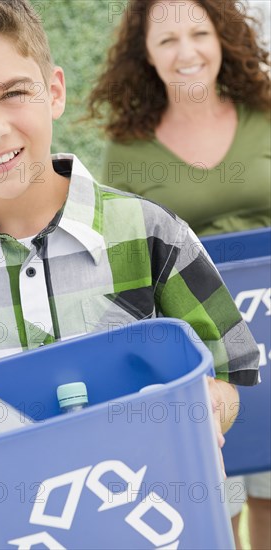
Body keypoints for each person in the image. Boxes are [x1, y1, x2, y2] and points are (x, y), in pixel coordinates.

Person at [0, 0, 259, 524]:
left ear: (53, 91)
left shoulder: (151, 232)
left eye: (14, 93)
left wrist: (207, 405)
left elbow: (229, 368)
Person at [87, 0, 270, 547]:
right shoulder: (128, 149)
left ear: (223, 39)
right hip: (199, 344)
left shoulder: (265, 112)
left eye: (199, 33)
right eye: (167, 40)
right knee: (217, 494)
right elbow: (122, 257)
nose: (186, 52)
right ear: (145, 54)